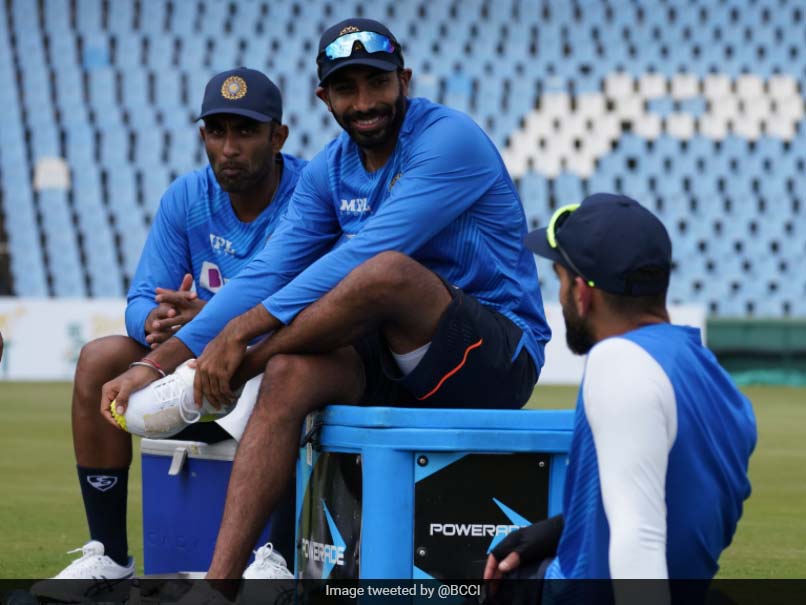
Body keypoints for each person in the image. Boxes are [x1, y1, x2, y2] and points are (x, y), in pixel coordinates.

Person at [100, 18, 552, 579]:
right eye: (346, 88)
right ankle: (220, 585)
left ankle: (225, 380)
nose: (364, 102)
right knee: (290, 373)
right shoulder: (329, 171)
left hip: (497, 355)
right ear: (324, 97)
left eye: (376, 83)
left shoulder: (448, 138)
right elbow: (266, 272)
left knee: (384, 271)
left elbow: (366, 261)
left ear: (404, 79)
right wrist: (153, 362)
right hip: (395, 353)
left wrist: (238, 343)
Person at [45, 67, 307, 582]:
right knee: (100, 358)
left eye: (246, 131)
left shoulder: (308, 194)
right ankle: (110, 558)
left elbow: (307, 304)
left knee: (291, 365)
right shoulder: (186, 197)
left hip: (266, 369)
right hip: (191, 372)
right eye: (217, 131)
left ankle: (272, 557)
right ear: (202, 134)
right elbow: (142, 297)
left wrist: (208, 319)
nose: (229, 147)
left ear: (278, 137)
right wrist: (157, 320)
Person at [484, 194, 756, 600]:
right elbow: (682, 508)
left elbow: (639, 537)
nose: (559, 297)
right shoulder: (715, 378)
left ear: (582, 292)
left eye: (559, 280)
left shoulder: (619, 360)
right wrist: (564, 529)